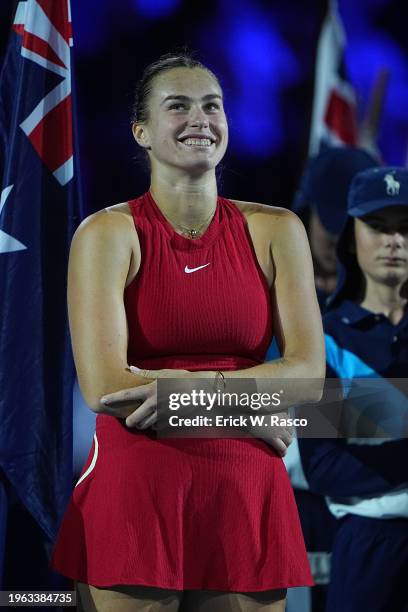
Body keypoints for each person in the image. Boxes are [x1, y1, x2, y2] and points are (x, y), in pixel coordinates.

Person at [51, 53, 325, 612]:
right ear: (142, 131)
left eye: (212, 106)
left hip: (246, 486)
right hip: (139, 483)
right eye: (178, 106)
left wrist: (171, 384)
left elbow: (309, 377)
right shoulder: (106, 233)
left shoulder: (278, 230)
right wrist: (247, 405)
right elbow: (104, 386)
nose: (200, 118)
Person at [298, 166, 408, 612]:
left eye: (405, 228)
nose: (394, 241)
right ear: (351, 235)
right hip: (367, 548)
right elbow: (323, 465)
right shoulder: (322, 340)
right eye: (378, 227)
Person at [292, 146, 378, 306]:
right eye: (331, 226)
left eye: (353, 231)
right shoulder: (270, 287)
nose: (339, 243)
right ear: (306, 216)